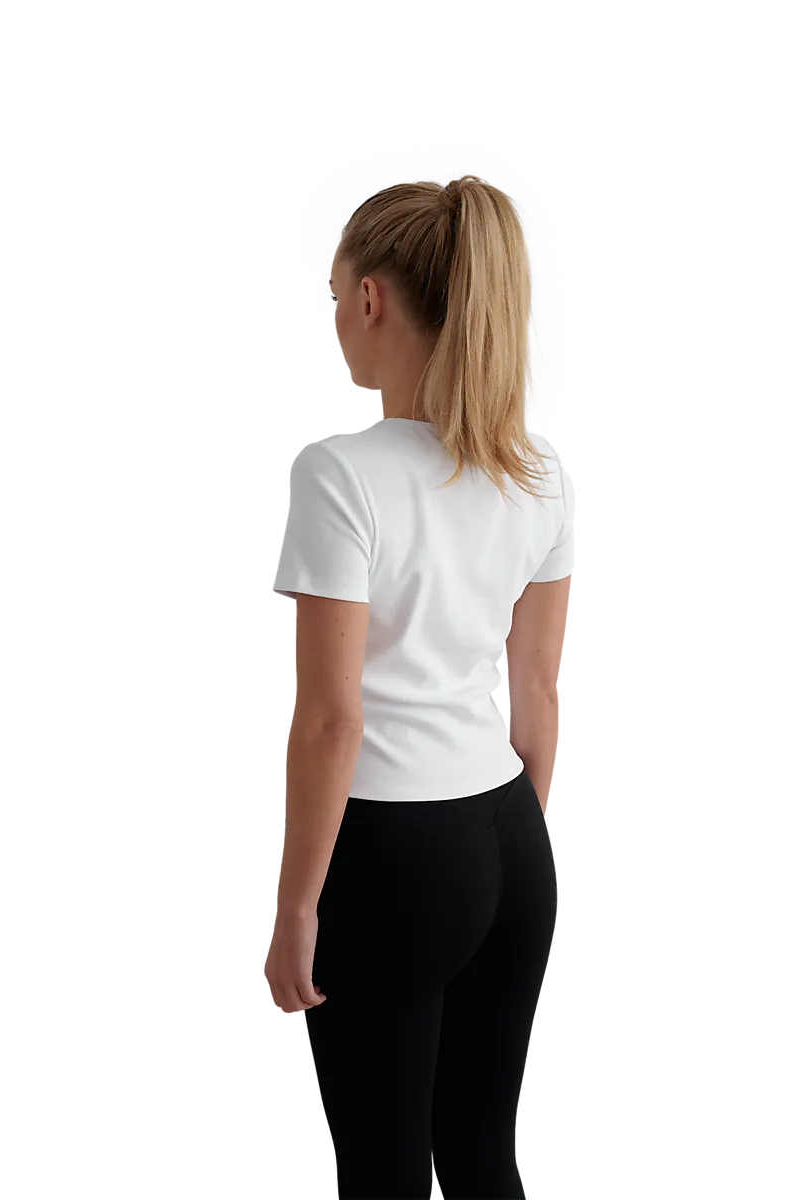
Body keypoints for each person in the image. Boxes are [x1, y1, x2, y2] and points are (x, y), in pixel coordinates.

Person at [267, 174, 579, 1198]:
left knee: (386, 1173)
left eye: (335, 297)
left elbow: (331, 721)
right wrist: (510, 850)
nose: (336, 324)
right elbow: (539, 690)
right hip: (510, 838)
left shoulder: (339, 474)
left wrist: (295, 909)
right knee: (484, 1158)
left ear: (370, 299)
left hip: (392, 852)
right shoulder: (539, 471)